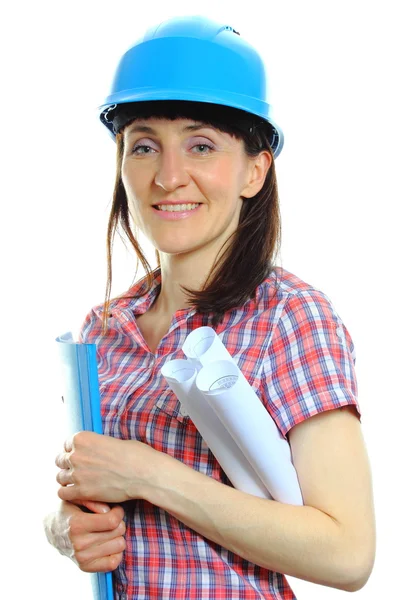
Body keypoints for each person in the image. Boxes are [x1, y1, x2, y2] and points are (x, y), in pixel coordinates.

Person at [45, 15, 376, 600]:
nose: (169, 177)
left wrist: (149, 475)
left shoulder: (291, 318)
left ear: (255, 169)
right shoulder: (102, 327)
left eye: (201, 145)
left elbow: (348, 554)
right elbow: (86, 496)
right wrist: (67, 530)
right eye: (144, 145)